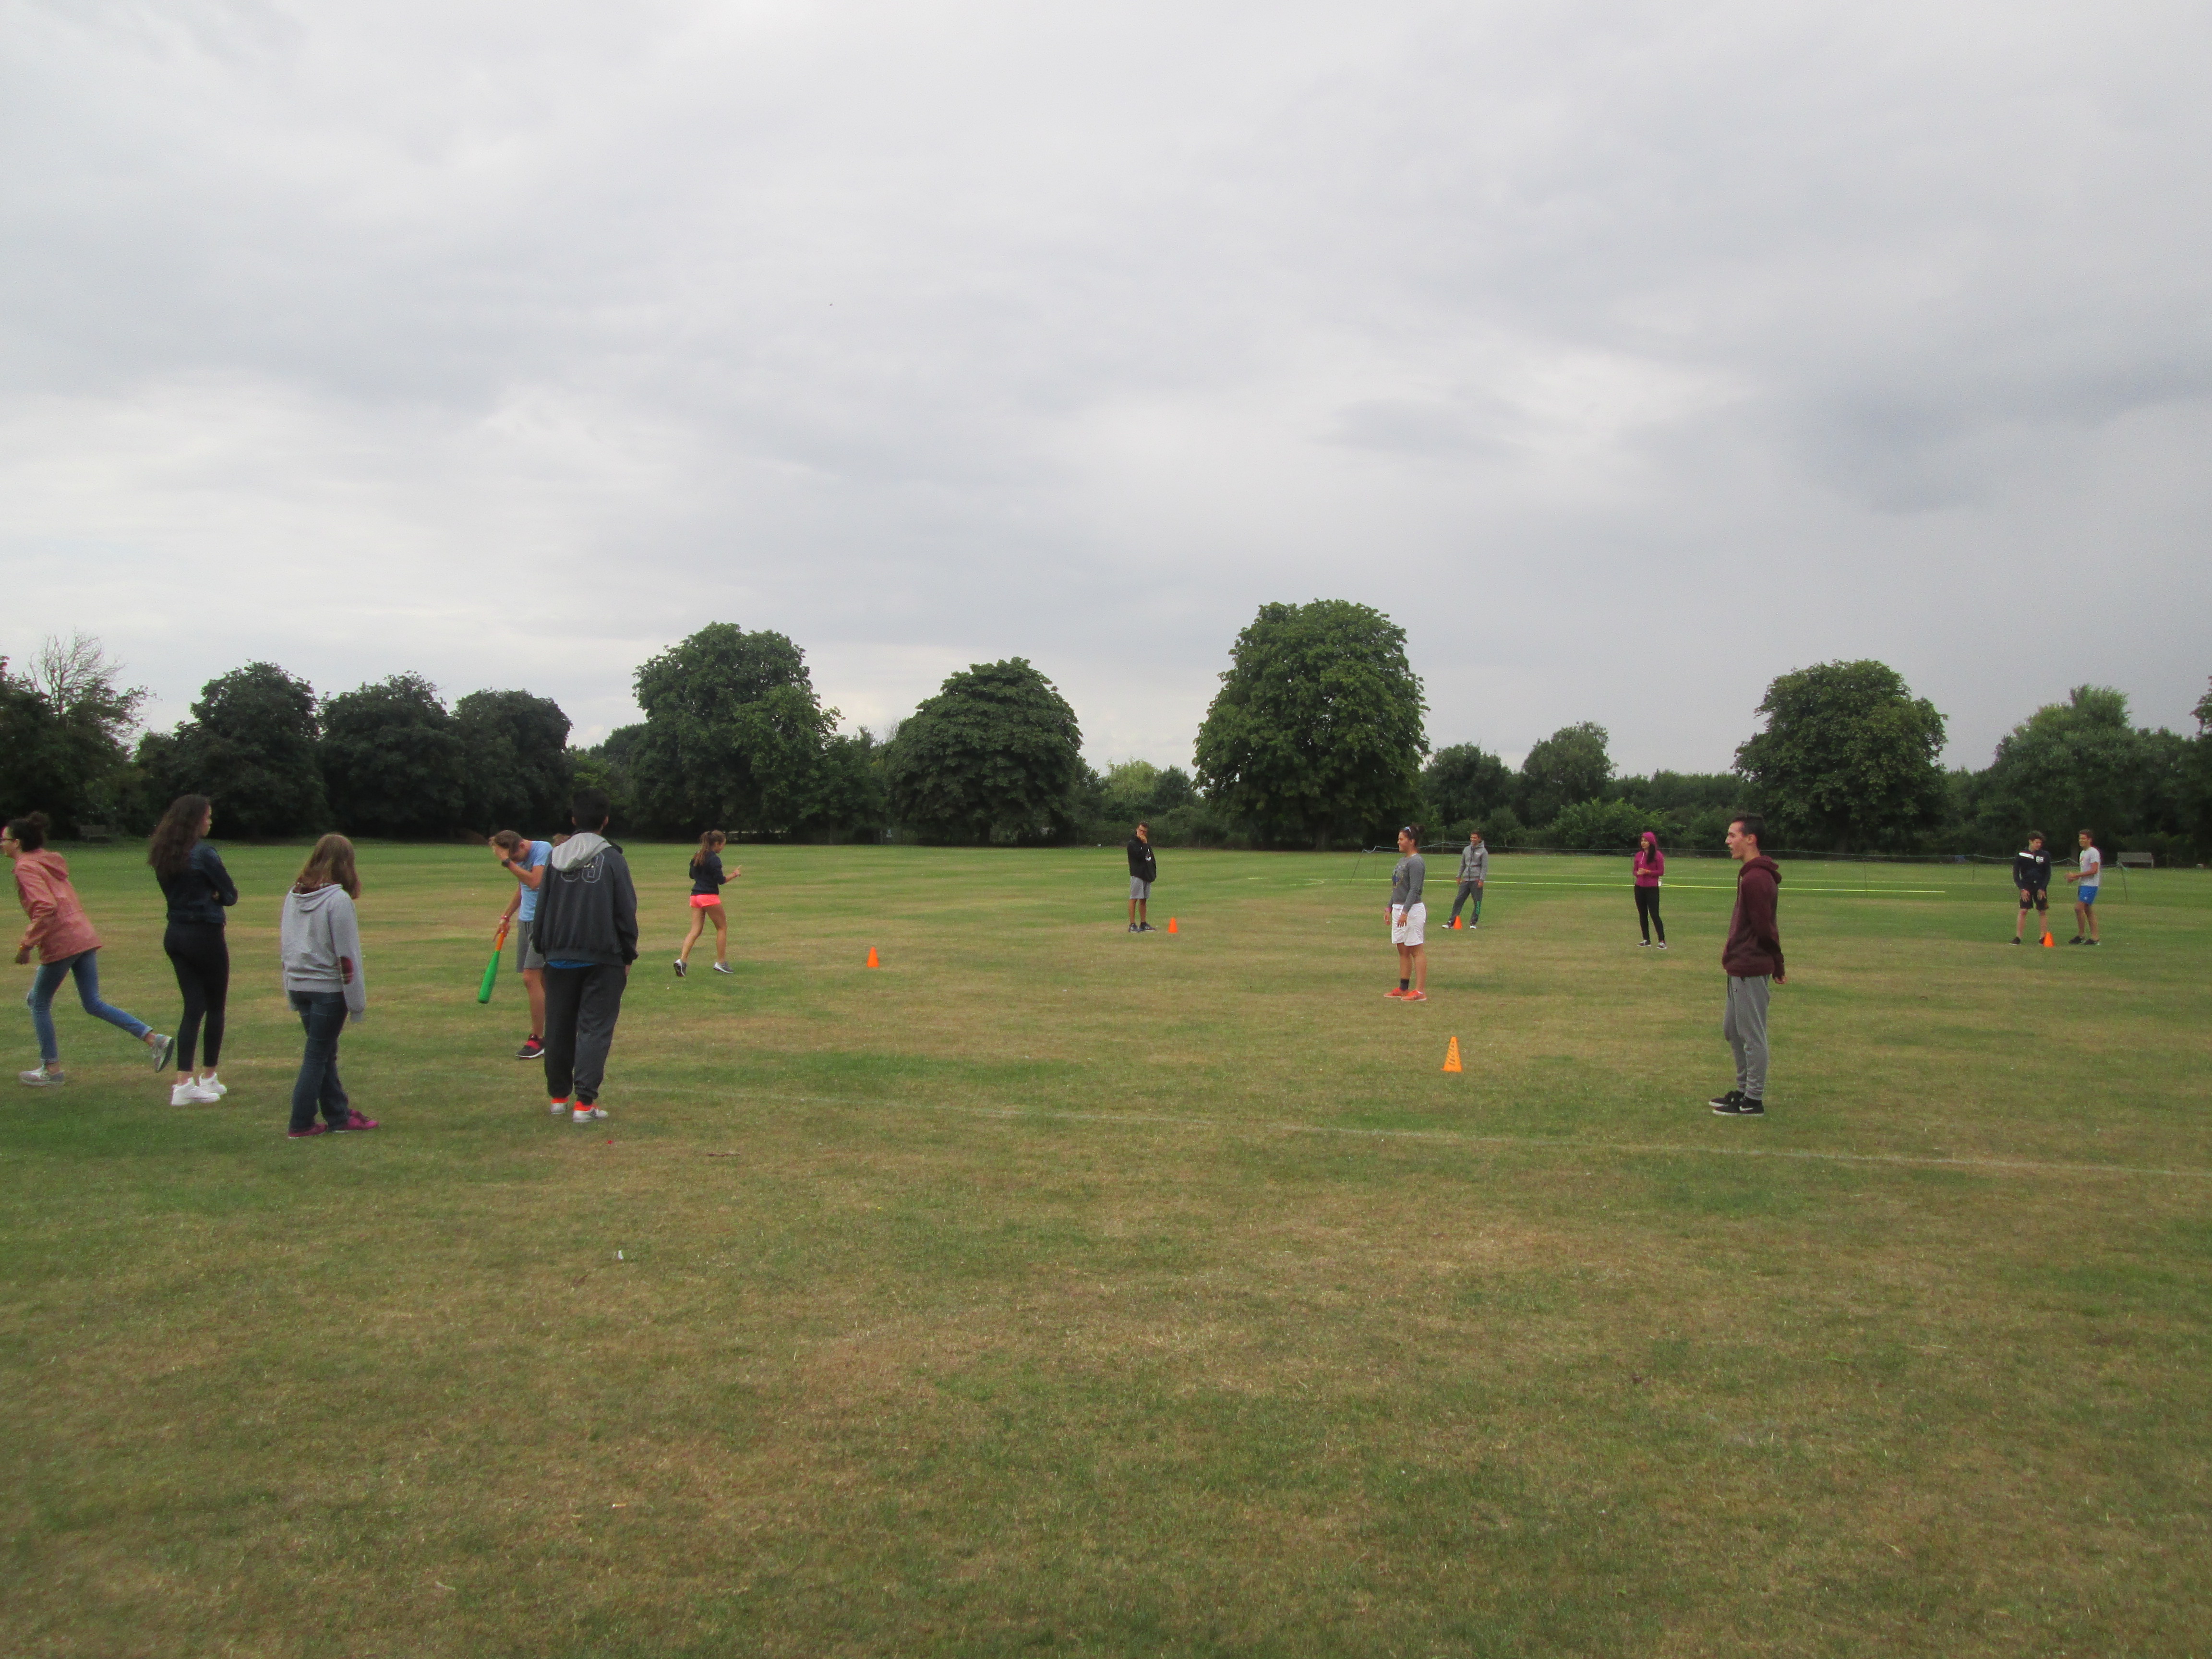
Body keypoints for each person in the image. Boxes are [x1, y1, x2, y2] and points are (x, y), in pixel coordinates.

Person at [7, 812, 173, 1087]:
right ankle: (154, 1040)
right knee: (93, 1003)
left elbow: (45, 907)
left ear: (17, 843)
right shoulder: (48, 861)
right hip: (83, 935)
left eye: (4, 839)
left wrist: (26, 945)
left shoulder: (26, 867)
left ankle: (51, 1069)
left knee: (38, 1002)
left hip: (63, 941)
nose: (2, 844)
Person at [532, 789, 637, 1124]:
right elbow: (626, 910)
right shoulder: (613, 859)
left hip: (558, 956)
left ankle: (558, 1098)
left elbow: (542, 907)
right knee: (595, 1029)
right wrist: (628, 953)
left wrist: (543, 948)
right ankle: (584, 1103)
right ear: (605, 821)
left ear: (574, 819)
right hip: (603, 957)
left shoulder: (554, 858)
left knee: (558, 1027)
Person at [279, 835, 376, 1138]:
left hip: (299, 984)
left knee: (324, 1053)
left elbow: (287, 946)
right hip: (326, 990)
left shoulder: (293, 895)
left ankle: (338, 1115)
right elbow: (348, 957)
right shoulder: (338, 901)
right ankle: (301, 1123)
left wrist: (290, 988)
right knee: (317, 1055)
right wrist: (357, 1004)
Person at [148, 794, 238, 1106]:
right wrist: (214, 895)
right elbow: (230, 895)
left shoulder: (164, 853)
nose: (210, 822)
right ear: (195, 820)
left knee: (193, 1007)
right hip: (204, 933)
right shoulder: (203, 854)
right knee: (215, 1006)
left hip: (175, 933)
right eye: (207, 817)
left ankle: (183, 1082)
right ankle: (208, 1074)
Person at [1711, 814, 1784, 1116]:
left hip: (1751, 966)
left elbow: (1765, 928)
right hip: (1739, 965)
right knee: (1732, 1030)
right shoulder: (1750, 875)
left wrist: (1777, 963)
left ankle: (1753, 1099)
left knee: (1752, 1034)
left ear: (1750, 839)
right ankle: (1742, 1091)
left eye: (1733, 835)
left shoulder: (1757, 878)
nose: (1728, 841)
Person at [490, 830, 553, 1057]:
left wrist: (507, 862)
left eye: (515, 858)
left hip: (542, 922)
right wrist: (506, 916)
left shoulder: (542, 849)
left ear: (523, 846)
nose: (514, 863)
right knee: (543, 981)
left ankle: (538, 1039)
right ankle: (556, 1034)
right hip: (525, 921)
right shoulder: (521, 859)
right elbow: (522, 887)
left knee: (530, 977)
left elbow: (535, 882)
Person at [675, 830, 739, 975]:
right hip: (709, 896)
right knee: (722, 928)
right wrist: (735, 874)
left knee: (695, 930)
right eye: (723, 845)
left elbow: (692, 875)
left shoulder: (698, 855)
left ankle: (682, 960)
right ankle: (721, 962)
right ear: (717, 844)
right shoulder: (714, 859)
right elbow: (721, 880)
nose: (723, 848)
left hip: (695, 896)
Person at [1385, 826, 1428, 1002]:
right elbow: (1398, 888)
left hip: (1412, 910)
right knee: (1402, 949)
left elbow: (1415, 889)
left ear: (1412, 842)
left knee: (1416, 950)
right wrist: (1390, 908)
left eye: (1402, 839)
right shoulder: (1403, 861)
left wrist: (1405, 911)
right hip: (1399, 909)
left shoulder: (1416, 862)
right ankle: (1404, 988)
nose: (1398, 842)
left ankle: (1420, 992)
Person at [2010, 831, 2053, 944]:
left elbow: (2048, 873)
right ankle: (2018, 937)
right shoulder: (2022, 854)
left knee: (2042, 911)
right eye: (2036, 842)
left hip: (2040, 886)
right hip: (2027, 886)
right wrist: (2022, 889)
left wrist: (2043, 888)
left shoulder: (2045, 855)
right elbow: (2016, 874)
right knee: (2024, 911)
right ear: (2030, 841)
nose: (2039, 845)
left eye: (2040, 843)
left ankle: (2043, 937)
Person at [2066, 830, 2102, 945]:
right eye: (2080, 838)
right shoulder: (2083, 853)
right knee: (2088, 911)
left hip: (2091, 885)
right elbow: (2085, 871)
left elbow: (2094, 870)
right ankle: (2094, 938)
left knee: (2078, 908)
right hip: (2083, 885)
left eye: (2084, 838)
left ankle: (2082, 935)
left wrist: (2076, 875)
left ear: (2089, 840)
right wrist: (2074, 878)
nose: (2081, 841)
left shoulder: (2093, 852)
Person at [1634, 830, 1667, 948]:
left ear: (1651, 842)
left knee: (1654, 914)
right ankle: (1646, 939)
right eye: (1642, 841)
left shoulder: (1658, 855)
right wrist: (1638, 873)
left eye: (1646, 841)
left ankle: (1662, 941)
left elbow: (1661, 872)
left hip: (1652, 888)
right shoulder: (1639, 855)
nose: (1643, 843)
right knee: (1642, 914)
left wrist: (1648, 872)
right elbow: (1635, 871)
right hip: (1639, 887)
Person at [1448, 830, 1487, 930]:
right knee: (1458, 901)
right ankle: (1451, 922)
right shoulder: (1466, 850)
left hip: (1476, 880)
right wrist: (1459, 876)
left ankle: (1473, 923)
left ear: (1479, 839)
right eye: (1471, 837)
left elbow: (1484, 867)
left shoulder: (1483, 851)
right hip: (1466, 880)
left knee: (1477, 902)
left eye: (1475, 838)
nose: (1473, 839)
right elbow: (1462, 864)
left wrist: (1482, 880)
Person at [1126, 822, 1158, 933]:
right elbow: (1139, 856)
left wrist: (1153, 872)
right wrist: (1144, 844)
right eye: (1141, 831)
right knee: (1134, 898)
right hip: (1137, 875)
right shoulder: (1132, 844)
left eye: (1144, 832)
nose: (1142, 833)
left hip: (1146, 875)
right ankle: (1132, 925)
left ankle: (1143, 923)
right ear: (1137, 830)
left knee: (1144, 900)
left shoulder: (1146, 844)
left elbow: (1151, 859)